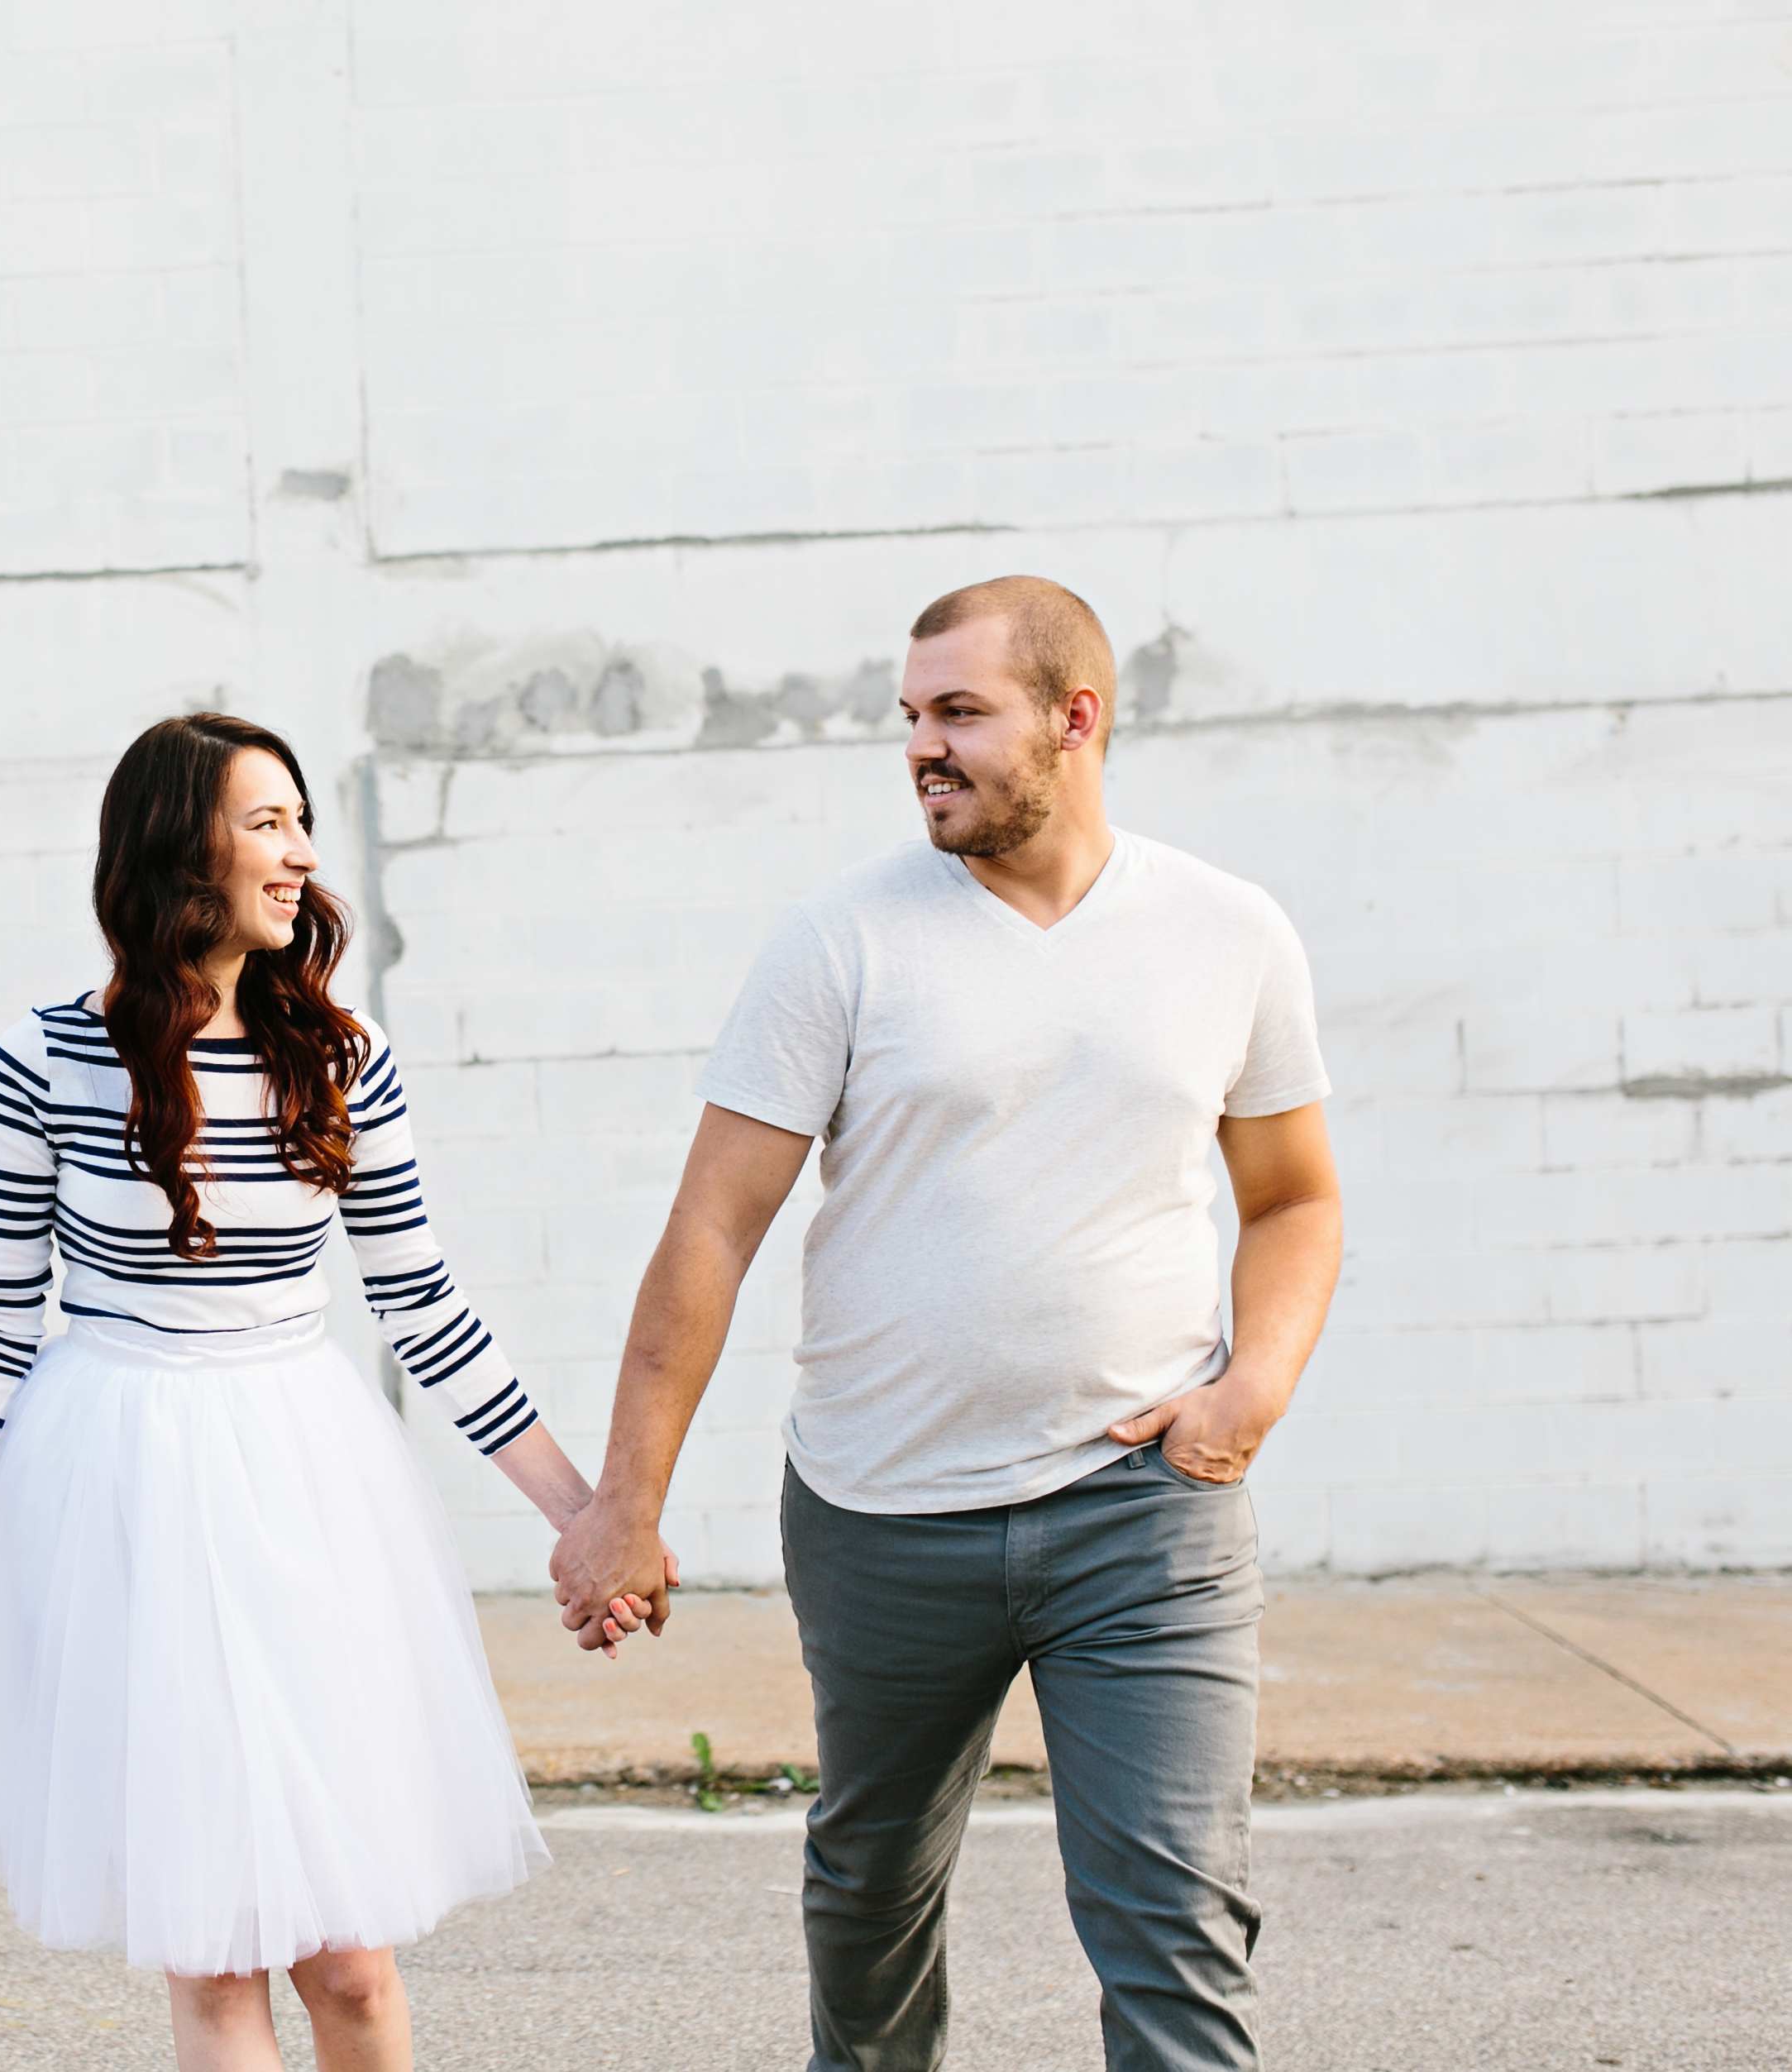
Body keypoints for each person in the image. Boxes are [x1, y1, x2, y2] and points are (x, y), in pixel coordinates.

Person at [552, 576, 1344, 2070]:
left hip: (1141, 1508)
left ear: (1074, 719)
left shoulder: (1228, 933)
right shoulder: (841, 939)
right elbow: (710, 1228)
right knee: (869, 1903)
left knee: (1177, 1927)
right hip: (881, 1511)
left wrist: (1255, 1387)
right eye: (910, 717)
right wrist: (624, 1502)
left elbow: (1295, 1197)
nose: (922, 746)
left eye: (959, 713)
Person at [0, 713, 657, 2072]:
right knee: (217, 1950)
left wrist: (592, 1518)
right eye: (266, 823)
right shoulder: (46, 1057)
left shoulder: (342, 1057)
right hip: (120, 1488)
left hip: (300, 1483)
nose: (300, 855)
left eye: (300, 822)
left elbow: (426, 1308)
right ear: (183, 851)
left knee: (348, 1962)